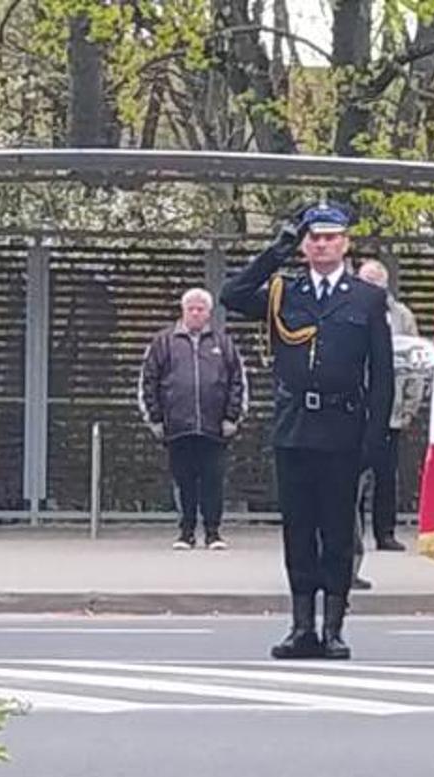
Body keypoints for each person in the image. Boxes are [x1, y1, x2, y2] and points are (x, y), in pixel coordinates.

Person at [219, 202, 393, 660]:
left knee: (337, 531)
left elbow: (382, 374)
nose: (321, 245)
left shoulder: (366, 298)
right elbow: (232, 294)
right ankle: (301, 626)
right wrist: (277, 249)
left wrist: (376, 438)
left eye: (330, 237)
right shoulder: (285, 291)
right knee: (298, 530)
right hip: (295, 426)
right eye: (313, 238)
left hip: (343, 426)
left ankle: (333, 627)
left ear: (345, 243)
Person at [138, 287, 246, 552]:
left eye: (201, 309)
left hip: (215, 427)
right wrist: (155, 419)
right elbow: (148, 381)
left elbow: (238, 382)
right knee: (184, 481)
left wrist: (232, 417)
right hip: (178, 427)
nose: (196, 313)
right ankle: (186, 533)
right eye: (191, 308)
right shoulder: (163, 342)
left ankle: (213, 533)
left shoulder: (224, 343)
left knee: (213, 481)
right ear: (183, 311)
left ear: (209, 313)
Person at [352, 260, 417, 554]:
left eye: (377, 281)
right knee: (353, 477)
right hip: (354, 407)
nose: (372, 287)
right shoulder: (347, 307)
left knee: (386, 475)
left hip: (391, 408)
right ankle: (354, 535)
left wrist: (410, 406)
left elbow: (415, 361)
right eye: (366, 281)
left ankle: (385, 532)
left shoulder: (402, 315)